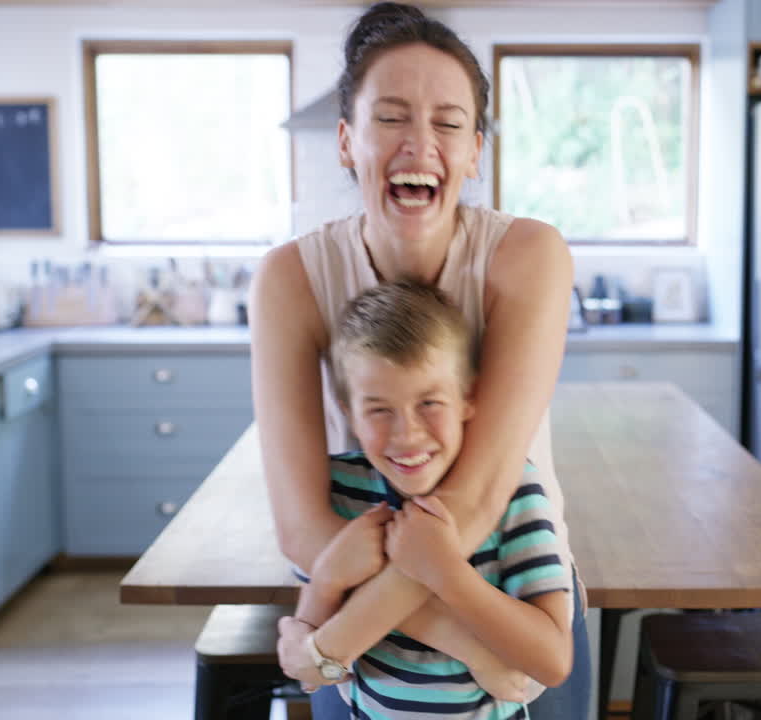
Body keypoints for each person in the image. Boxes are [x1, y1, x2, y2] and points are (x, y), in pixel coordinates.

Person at [248, 1, 590, 717]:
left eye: (449, 123)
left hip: (515, 599)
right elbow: (303, 530)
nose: (420, 144)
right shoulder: (291, 279)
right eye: (391, 117)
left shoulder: (528, 257)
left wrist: (323, 643)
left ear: (475, 152)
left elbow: (477, 497)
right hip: (390, 653)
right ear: (346, 141)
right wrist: (467, 647)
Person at [293, 280, 573, 718]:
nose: (407, 435)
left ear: (468, 399)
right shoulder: (339, 491)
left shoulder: (512, 488)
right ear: (348, 413)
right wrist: (328, 579)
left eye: (429, 403)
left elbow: (551, 662)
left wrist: (445, 572)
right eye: (379, 410)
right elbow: (310, 672)